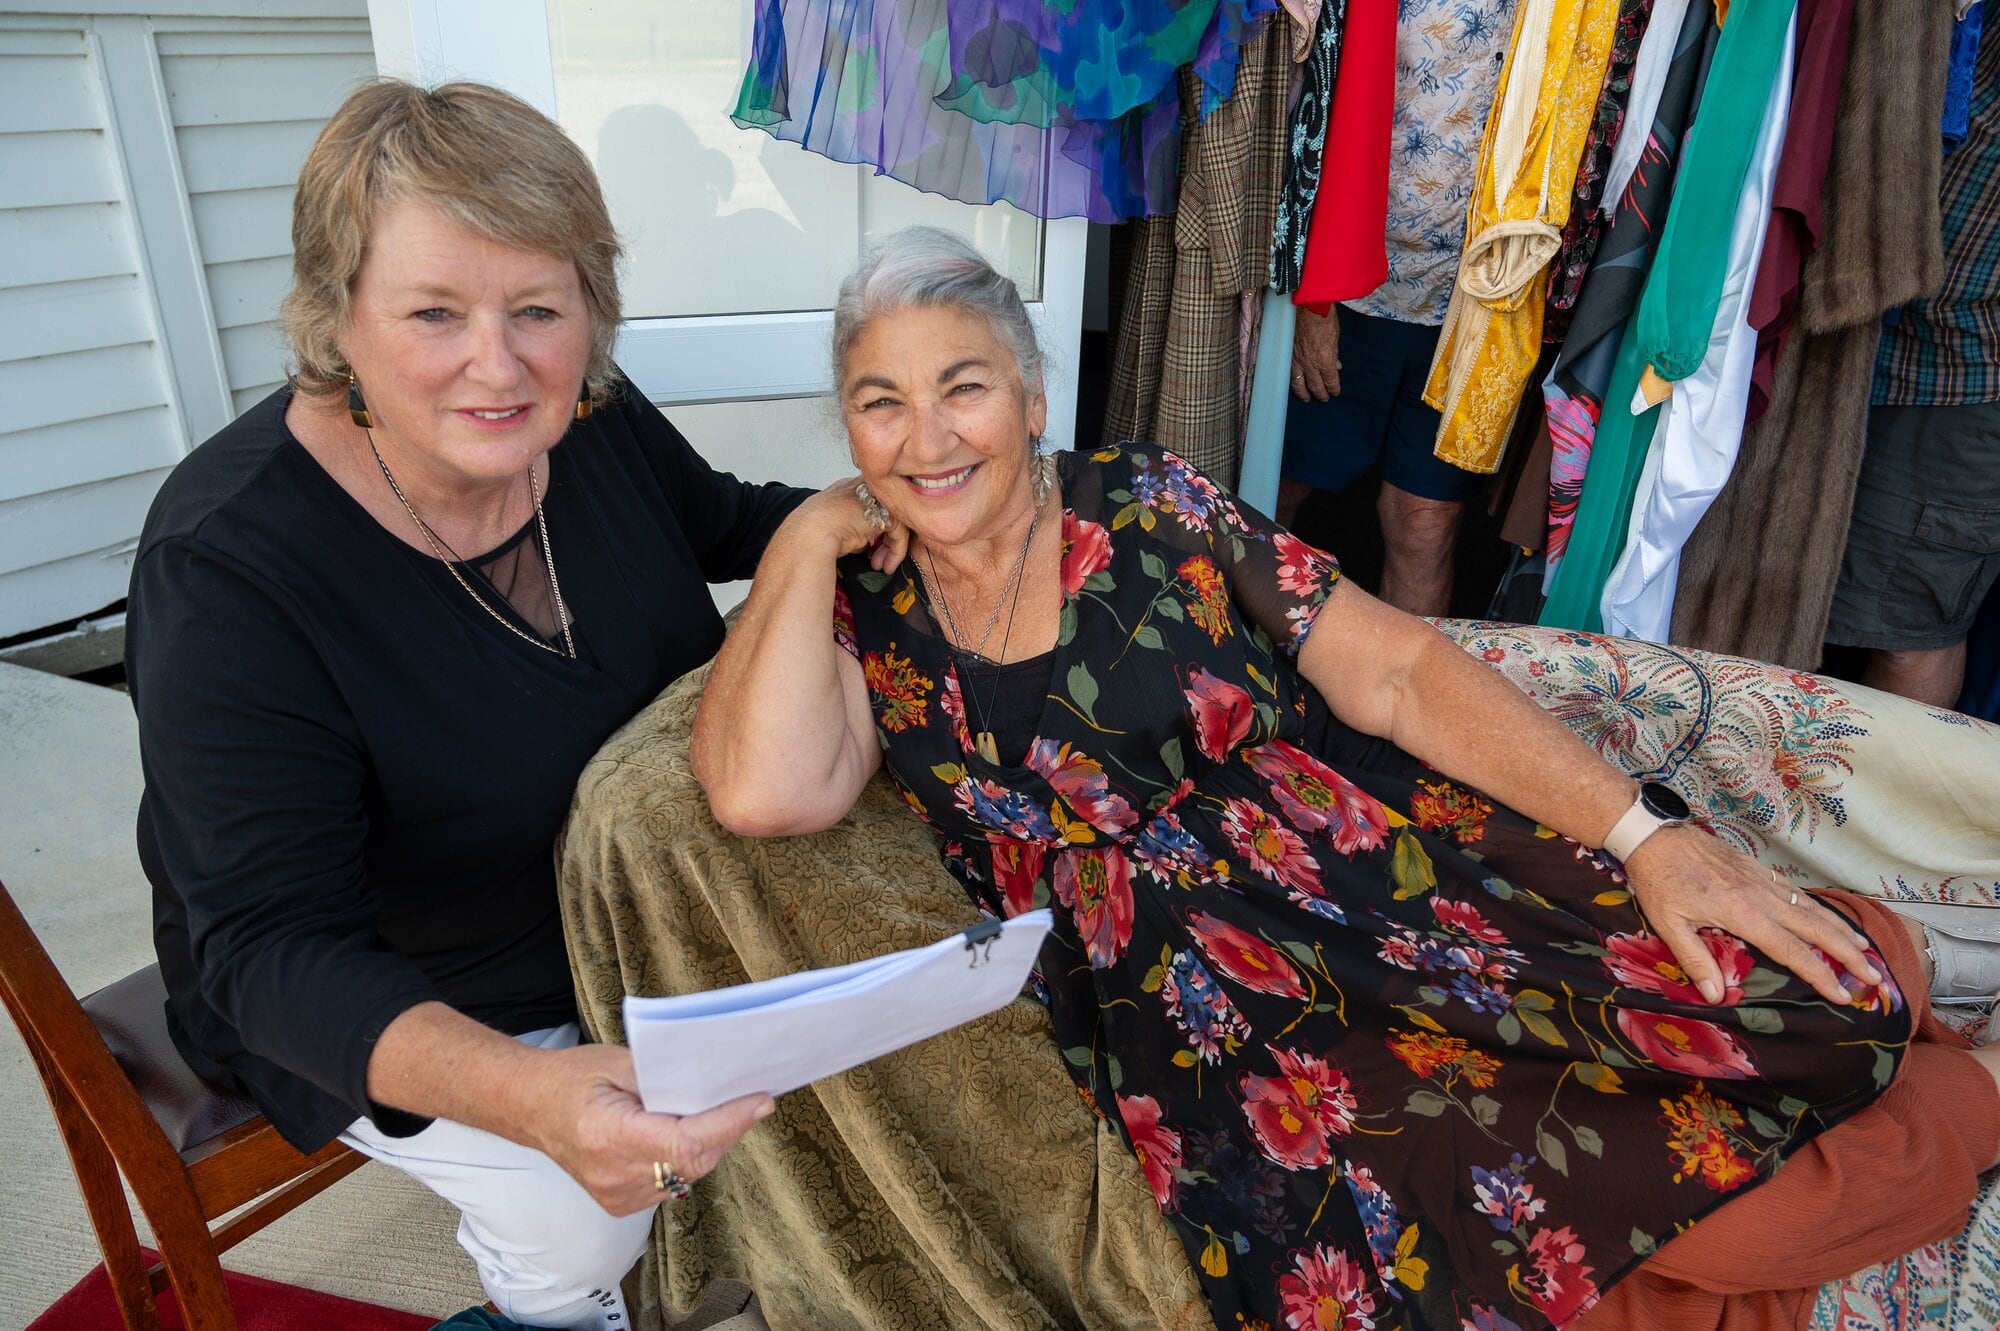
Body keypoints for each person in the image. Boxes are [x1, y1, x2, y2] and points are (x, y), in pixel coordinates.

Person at [693, 228, 2000, 1331]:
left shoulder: (1155, 505)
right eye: (879, 401)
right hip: (1200, 1016)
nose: (925, 436)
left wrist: (1644, 832)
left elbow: (1402, 675)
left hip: (1375, 883)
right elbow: (762, 792)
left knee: (1796, 1008)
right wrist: (806, 540)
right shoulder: (864, 609)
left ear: (1034, 395)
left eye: (961, 386)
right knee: (1545, 1240)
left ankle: (1956, 1073)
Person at [126, 80, 807, 1331]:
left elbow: (724, 520)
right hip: (405, 982)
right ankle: (547, 1310)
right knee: (583, 1212)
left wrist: (903, 512)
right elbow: (269, 947)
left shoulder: (588, 421)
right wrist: (530, 1095)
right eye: (433, 311)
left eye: (537, 308)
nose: (498, 365)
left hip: (635, 907)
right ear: (338, 316)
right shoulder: (228, 566)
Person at [1277, 0, 1517, 617]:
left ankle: (1396, 707)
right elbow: (1314, 110)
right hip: (1356, 293)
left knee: (1425, 525)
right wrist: (1314, 305)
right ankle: (1245, 687)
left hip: (1469, 311)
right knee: (1275, 501)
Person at [1825, 23, 2000, 710]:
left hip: (1965, 369)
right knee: (1782, 597)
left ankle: (1859, 818)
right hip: (1842, 327)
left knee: (1905, 625)